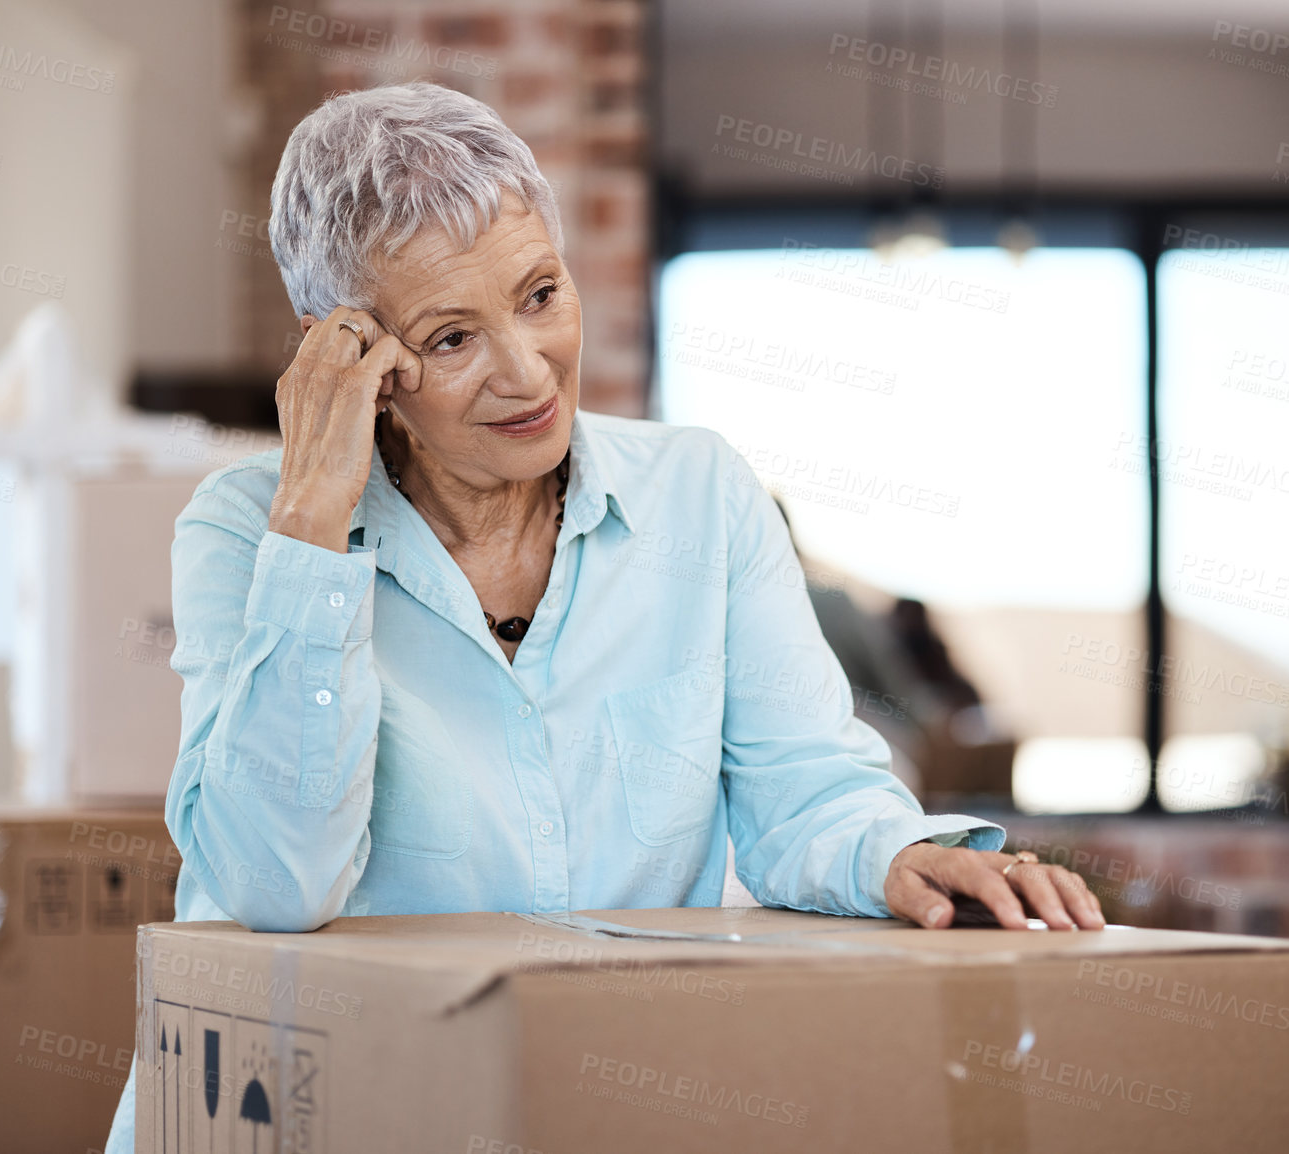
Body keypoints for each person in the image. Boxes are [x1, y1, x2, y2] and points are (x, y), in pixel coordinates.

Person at [103, 80, 1101, 1150]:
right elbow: (273, 883)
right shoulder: (251, 530)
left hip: (584, 1101)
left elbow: (804, 789)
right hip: (316, 1108)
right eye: (451, 340)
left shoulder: (700, 497)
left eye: (539, 293)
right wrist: (313, 516)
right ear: (351, 358)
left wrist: (901, 854)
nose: (529, 372)